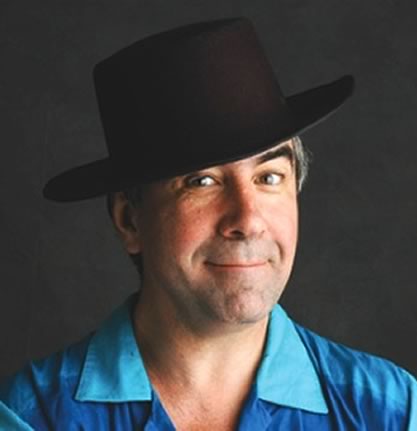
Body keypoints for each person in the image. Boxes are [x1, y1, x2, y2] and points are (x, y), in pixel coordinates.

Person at [0, 17, 416, 431]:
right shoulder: (34, 417)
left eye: (269, 177)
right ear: (129, 221)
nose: (248, 220)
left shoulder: (392, 412)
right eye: (202, 181)